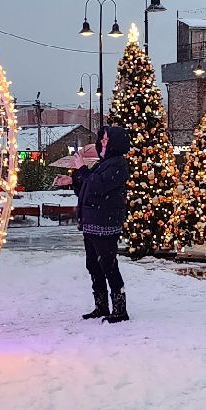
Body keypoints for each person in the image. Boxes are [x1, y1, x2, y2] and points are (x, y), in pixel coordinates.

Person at [72, 124, 133, 321]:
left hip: (105, 225)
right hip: (91, 223)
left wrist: (81, 168)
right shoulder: (102, 163)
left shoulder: (118, 164)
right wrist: (72, 180)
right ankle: (101, 306)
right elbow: (87, 186)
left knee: (108, 266)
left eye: (106, 139)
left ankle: (120, 309)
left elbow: (97, 185)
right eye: (103, 138)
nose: (102, 141)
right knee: (93, 266)